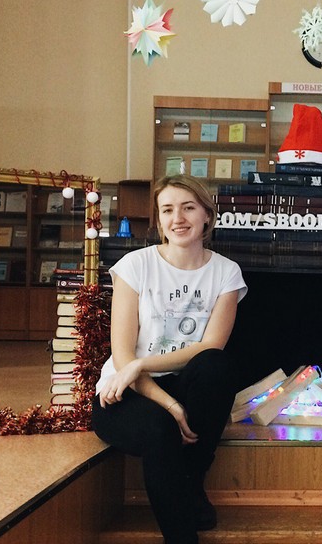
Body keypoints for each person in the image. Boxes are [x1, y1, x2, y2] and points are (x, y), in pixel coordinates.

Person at [91, 174, 247, 544]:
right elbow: (123, 356)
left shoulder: (226, 272)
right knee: (161, 428)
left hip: (175, 380)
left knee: (216, 366)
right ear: (159, 220)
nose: (178, 218)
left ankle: (191, 483)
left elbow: (211, 345)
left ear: (207, 215)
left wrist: (143, 363)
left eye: (188, 207)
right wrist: (170, 405)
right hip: (125, 392)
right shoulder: (135, 265)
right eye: (167, 210)